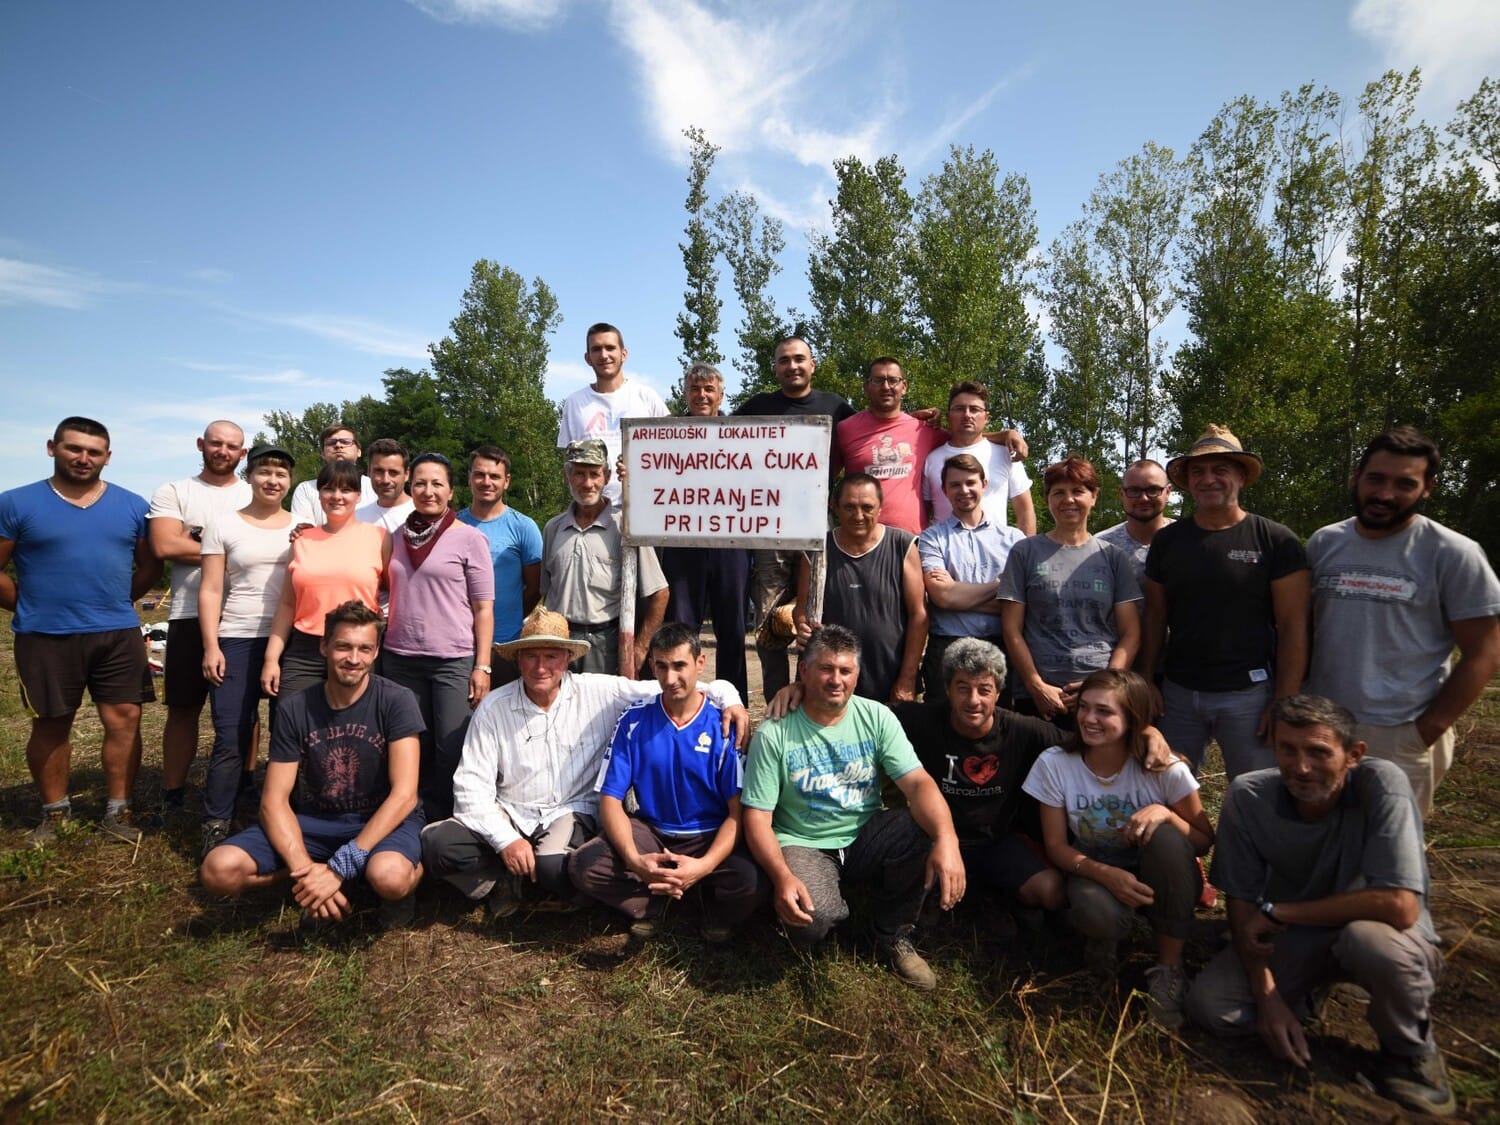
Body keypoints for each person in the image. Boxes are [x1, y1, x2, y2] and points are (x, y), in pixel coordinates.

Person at [1185, 695, 1453, 1117]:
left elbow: (1400, 907)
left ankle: (1411, 1052)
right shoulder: (1250, 795)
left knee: (1371, 946)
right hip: (1300, 935)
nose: (1301, 766)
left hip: (1375, 929)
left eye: (1318, 752)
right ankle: (1303, 997)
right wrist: (1267, 995)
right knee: (1212, 1008)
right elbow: (1240, 901)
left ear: (1353, 755)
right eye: (1287, 750)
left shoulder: (1382, 785)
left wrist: (1280, 913)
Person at [421, 606, 748, 916]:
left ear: (567, 659)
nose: (541, 667)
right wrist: (506, 840)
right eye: (531, 656)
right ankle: (502, 878)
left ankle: (544, 878)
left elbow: (672, 685)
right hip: (510, 812)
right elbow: (470, 789)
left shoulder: (600, 692)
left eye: (551, 656)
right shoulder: (494, 707)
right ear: (518, 659)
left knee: (556, 868)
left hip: (568, 811)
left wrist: (729, 696)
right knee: (437, 844)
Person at [741, 625, 966, 990]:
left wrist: (948, 839)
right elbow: (757, 817)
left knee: (922, 829)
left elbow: (919, 783)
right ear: (804, 672)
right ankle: (836, 913)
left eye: (845, 671)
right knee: (811, 922)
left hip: (865, 831)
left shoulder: (876, 717)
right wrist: (782, 876)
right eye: (826, 669)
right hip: (803, 840)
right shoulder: (775, 732)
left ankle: (891, 934)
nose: (836, 680)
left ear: (857, 675)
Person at [1306, 427, 1500, 814]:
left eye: (1404, 483)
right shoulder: (1324, 543)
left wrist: (1425, 731)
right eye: (1375, 479)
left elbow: (1485, 652)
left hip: (1399, 733)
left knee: (1388, 856)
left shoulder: (1453, 553)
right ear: (1356, 477)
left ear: (1428, 487)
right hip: (1322, 725)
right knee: (1320, 843)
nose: (1384, 494)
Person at [199, 601, 425, 931]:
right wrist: (307, 870)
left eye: (365, 649)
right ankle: (313, 883)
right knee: (218, 870)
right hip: (318, 820)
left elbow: (404, 795)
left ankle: (389, 875)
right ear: (324, 647)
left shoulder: (397, 700)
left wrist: (341, 866)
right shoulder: (295, 708)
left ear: (376, 652)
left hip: (383, 819)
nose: (353, 658)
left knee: (389, 878)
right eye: (343, 646)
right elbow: (273, 802)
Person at [0, 417, 163, 844]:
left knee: (125, 719)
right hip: (45, 635)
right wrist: (29, 603)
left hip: (117, 632)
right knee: (52, 725)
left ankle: (119, 812)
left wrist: (119, 599)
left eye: (94, 452)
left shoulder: (131, 505)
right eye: (74, 448)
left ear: (108, 457)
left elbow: (151, 564)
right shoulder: (16, 502)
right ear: (52, 447)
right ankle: (55, 815)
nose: (83, 458)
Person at [1022, 669, 1213, 1028]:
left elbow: (1203, 839)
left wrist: (1168, 816)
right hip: (1095, 867)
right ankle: (1105, 944)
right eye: (1084, 708)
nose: (1090, 719)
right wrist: (1106, 875)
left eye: (1105, 712)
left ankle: (1169, 969)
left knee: (1169, 838)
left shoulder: (1163, 768)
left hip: (1157, 870)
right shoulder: (1055, 763)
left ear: (1134, 719)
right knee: (1096, 908)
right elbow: (1058, 847)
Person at [568, 623, 765, 942]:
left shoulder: (723, 724)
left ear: (700, 664)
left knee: (752, 881)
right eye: (662, 666)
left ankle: (706, 906)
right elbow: (611, 800)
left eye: (680, 666)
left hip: (709, 836)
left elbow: (736, 813)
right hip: (653, 833)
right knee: (584, 865)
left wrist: (703, 866)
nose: (670, 678)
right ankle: (653, 902)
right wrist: (636, 860)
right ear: (652, 666)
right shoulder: (633, 720)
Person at [1140, 425, 1309, 780]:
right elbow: (1155, 616)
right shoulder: (1168, 542)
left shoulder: (1276, 540)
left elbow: (1293, 625)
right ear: (1186, 481)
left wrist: (1284, 700)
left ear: (1242, 477)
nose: (1208, 479)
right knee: (1168, 789)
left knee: (1256, 793)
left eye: (1221, 470)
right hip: (1179, 694)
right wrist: (1147, 681)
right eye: (1198, 471)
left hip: (1249, 694)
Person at [893, 639, 1065, 916]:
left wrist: (1144, 733)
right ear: (948, 689)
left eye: (984, 690)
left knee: (1051, 891)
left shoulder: (1023, 730)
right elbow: (862, 714)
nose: (973, 700)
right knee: (913, 895)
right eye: (963, 688)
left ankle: (995, 898)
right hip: (933, 839)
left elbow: (1084, 744)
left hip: (996, 842)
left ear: (998, 693)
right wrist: (802, 690)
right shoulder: (920, 719)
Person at [734, 336, 855, 702]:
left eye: (799, 359)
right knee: (769, 625)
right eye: (784, 360)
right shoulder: (757, 407)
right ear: (776, 368)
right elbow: (711, 441)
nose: (793, 366)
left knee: (814, 621)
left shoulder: (836, 407)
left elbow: (873, 431)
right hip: (768, 529)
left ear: (812, 364)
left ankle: (812, 699)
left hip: (816, 529)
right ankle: (776, 705)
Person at [383, 452, 495, 822]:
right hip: (399, 658)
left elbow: (483, 608)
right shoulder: (395, 537)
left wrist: (482, 666)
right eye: (419, 482)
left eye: (436, 483)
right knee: (411, 747)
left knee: (451, 749)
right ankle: (410, 823)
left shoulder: (469, 539)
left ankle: (450, 826)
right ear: (409, 486)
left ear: (451, 490)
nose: (427, 491)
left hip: (452, 659)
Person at [148, 420, 251, 816]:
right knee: (184, 707)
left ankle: (244, 782)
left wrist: (197, 537)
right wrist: (235, 549)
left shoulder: (253, 490)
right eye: (216, 443)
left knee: (245, 710)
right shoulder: (175, 491)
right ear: (201, 445)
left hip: (245, 614)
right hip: (189, 612)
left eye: (232, 446)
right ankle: (173, 792)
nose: (223, 451)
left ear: (243, 453)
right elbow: (162, 543)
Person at [198, 444, 295, 857]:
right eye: (264, 472)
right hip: (236, 636)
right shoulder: (223, 525)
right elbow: (211, 588)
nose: (272, 480)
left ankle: (284, 814)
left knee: (288, 735)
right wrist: (211, 645)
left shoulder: (303, 526)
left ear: (289, 482)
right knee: (231, 735)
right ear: (249, 477)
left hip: (292, 640)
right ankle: (216, 821)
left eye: (280, 474)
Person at [999, 456, 1141, 725]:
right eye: (1059, 493)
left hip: (1102, 696)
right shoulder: (1025, 552)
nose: (1069, 500)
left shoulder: (1113, 557)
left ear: (1094, 496)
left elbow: (1131, 633)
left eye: (1078, 491)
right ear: (1048, 499)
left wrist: (1107, 685)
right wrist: (1035, 685)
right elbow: (1011, 629)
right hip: (1041, 697)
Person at [835, 361, 1028, 536]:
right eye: (878, 380)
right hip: (859, 536)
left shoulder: (922, 430)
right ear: (866, 387)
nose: (886, 386)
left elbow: (966, 437)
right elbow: (826, 478)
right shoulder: (845, 429)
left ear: (904, 387)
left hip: (910, 541)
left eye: (893, 380)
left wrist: (1007, 435)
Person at [656, 363, 750, 700]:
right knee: (680, 627)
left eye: (709, 389)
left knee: (733, 629)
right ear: (685, 394)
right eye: (695, 389)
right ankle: (678, 699)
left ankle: (734, 705)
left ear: (721, 394)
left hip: (732, 541)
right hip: (682, 543)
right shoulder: (666, 432)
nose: (702, 395)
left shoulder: (740, 432)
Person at [262, 460, 388, 701]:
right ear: (319, 494)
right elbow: (287, 605)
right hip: (305, 651)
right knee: (292, 726)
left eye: (346, 489)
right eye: (329, 489)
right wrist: (271, 659)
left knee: (353, 729)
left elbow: (393, 592)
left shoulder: (379, 538)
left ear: (359, 496)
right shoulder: (302, 539)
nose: (337, 496)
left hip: (357, 648)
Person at [540, 438, 668, 676]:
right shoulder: (552, 529)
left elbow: (660, 593)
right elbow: (546, 592)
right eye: (579, 473)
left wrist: (639, 648)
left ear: (607, 477)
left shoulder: (626, 527)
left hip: (606, 646)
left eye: (594, 474)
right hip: (558, 642)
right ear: (566, 476)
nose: (587, 483)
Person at [795, 474, 926, 704]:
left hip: (888, 678)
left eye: (867, 507)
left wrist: (907, 679)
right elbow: (802, 609)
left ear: (880, 508)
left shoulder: (902, 546)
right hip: (831, 681)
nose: (858, 516)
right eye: (849, 507)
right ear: (834, 507)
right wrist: (802, 625)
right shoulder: (816, 550)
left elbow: (919, 616)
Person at [918, 452, 1025, 694]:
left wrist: (957, 594)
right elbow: (942, 597)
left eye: (970, 483)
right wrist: (1000, 585)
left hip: (1001, 645)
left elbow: (1020, 605)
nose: (963, 490)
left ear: (984, 485)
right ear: (944, 490)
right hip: (946, 645)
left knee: (997, 725)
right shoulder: (931, 538)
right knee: (941, 725)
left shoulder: (1014, 540)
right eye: (955, 485)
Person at [457, 444, 543, 688]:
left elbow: (535, 588)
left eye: (494, 476)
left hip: (506, 646)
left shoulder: (524, 527)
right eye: (479, 474)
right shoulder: (453, 524)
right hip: (461, 645)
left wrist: (508, 617)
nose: (486, 482)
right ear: (469, 478)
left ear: (507, 481)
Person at [556, 322, 669, 505]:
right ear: (587, 358)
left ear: (624, 354)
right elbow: (568, 463)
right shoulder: (574, 403)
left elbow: (672, 451)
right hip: (593, 510)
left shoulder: (646, 397)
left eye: (610, 348)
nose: (604, 355)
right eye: (596, 349)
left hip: (643, 506)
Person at [921, 381, 1036, 533]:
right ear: (948, 416)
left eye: (974, 409)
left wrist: (1026, 555)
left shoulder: (1007, 455)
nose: (967, 415)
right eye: (959, 409)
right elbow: (923, 515)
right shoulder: (931, 459)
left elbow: (1025, 512)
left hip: (997, 553)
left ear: (986, 417)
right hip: (944, 553)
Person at [1095, 459, 1174, 584]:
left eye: (1153, 490)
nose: (1144, 498)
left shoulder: (1186, 539)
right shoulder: (1101, 547)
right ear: (1121, 493)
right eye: (1134, 490)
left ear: (1168, 492)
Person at [288, 424, 378, 527]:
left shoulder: (374, 487)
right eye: (331, 443)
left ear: (358, 451)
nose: (338, 445)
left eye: (345, 442)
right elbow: (305, 533)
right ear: (322, 453)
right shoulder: (305, 489)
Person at [355, 438, 414, 532]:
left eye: (393, 472)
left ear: (406, 474)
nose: (386, 480)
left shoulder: (422, 516)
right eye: (379, 471)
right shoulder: (357, 518)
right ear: (369, 472)